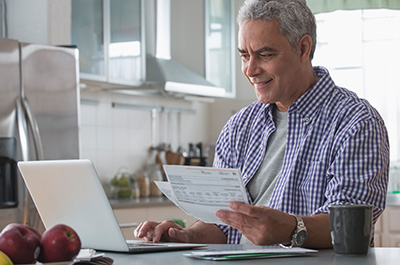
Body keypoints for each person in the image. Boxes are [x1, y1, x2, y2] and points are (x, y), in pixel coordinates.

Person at [134, 0, 389, 249]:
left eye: (264, 55)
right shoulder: (239, 127)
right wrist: (185, 237)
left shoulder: (356, 123)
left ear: (303, 48)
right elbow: (222, 224)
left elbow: (351, 228)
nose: (250, 69)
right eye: (245, 56)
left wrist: (291, 228)